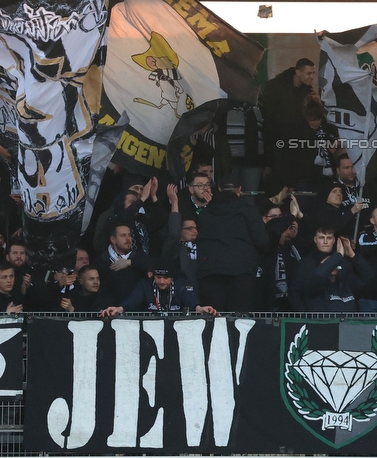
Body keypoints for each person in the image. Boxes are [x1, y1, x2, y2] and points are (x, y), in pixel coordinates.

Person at [195, 179, 268, 312]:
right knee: (238, 320)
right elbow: (262, 240)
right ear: (239, 189)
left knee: (213, 317)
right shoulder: (249, 211)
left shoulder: (205, 213)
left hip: (210, 271)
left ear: (219, 189)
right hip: (242, 270)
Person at [259, 58, 316, 172]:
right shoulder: (276, 86)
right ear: (298, 72)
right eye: (309, 73)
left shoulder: (308, 92)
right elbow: (266, 115)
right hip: (278, 143)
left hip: (299, 146)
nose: (312, 77)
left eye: (313, 73)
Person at [100, 265, 217, 316]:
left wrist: (200, 308)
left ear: (172, 277)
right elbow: (133, 300)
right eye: (158, 277)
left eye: (166, 278)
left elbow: (191, 300)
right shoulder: (145, 284)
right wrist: (119, 309)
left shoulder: (181, 284)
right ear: (152, 276)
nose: (161, 281)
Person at [94, 221, 149, 305]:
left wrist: (130, 262)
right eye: (123, 235)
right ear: (113, 239)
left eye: (129, 235)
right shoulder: (101, 261)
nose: (128, 239)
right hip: (110, 312)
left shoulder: (140, 256)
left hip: (137, 311)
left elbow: (151, 266)